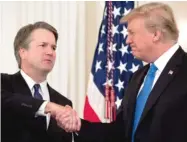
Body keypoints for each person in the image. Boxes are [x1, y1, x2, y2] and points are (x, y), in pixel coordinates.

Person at [53, 2, 187, 142]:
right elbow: (119, 131)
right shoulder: (138, 77)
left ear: (155, 34)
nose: (127, 40)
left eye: (132, 33)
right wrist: (77, 125)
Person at [1, 21, 80, 142]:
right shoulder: (4, 84)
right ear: (23, 52)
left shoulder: (63, 103)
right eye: (43, 45)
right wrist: (48, 107)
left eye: (53, 47)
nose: (50, 52)